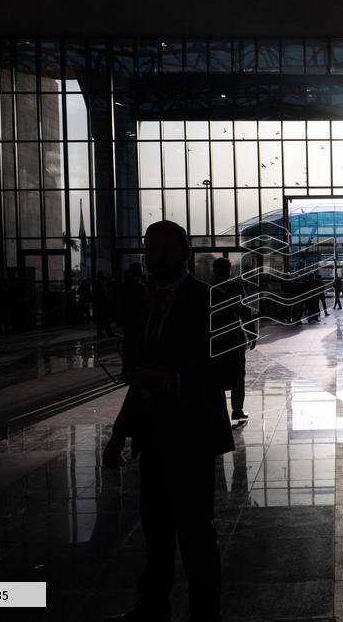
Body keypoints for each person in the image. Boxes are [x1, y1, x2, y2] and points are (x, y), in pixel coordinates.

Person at [104, 220, 235, 622]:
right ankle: (152, 606)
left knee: (196, 532)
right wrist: (120, 432)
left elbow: (225, 367)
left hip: (192, 434)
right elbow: (140, 375)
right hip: (155, 433)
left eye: (165, 249)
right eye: (151, 248)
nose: (156, 256)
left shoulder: (208, 300)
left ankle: (204, 613)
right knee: (156, 529)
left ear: (184, 254)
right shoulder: (145, 303)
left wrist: (173, 380)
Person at [212, 256, 255, 421]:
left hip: (215, 339)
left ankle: (217, 411)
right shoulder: (236, 288)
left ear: (214, 271)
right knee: (238, 373)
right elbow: (244, 312)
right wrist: (251, 334)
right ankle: (237, 409)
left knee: (215, 374)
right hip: (233, 337)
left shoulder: (207, 289)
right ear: (228, 271)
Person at [93, 270, 115, 338]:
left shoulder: (99, 283)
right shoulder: (99, 284)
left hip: (102, 304)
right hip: (102, 305)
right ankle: (106, 333)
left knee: (103, 320)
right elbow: (100, 295)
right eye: (103, 275)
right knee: (104, 320)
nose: (104, 276)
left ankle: (102, 333)